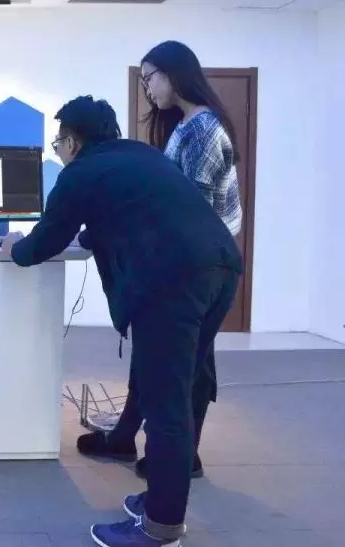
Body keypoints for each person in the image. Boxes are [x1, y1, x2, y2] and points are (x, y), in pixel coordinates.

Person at [1, 95, 242, 547]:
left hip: (171, 280)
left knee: (165, 404)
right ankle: (161, 497)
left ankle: (161, 526)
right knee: (178, 388)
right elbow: (140, 213)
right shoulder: (140, 156)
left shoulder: (79, 174)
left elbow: (42, 244)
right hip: (222, 268)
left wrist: (13, 246)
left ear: (72, 143)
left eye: (58, 143)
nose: (59, 151)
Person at [76, 40, 244, 481]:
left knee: (187, 368)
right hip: (185, 264)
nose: (147, 88)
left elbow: (184, 211)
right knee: (159, 358)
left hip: (193, 268)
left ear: (175, 73)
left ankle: (183, 457)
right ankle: (126, 436)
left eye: (150, 77)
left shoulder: (202, 130)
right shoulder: (186, 126)